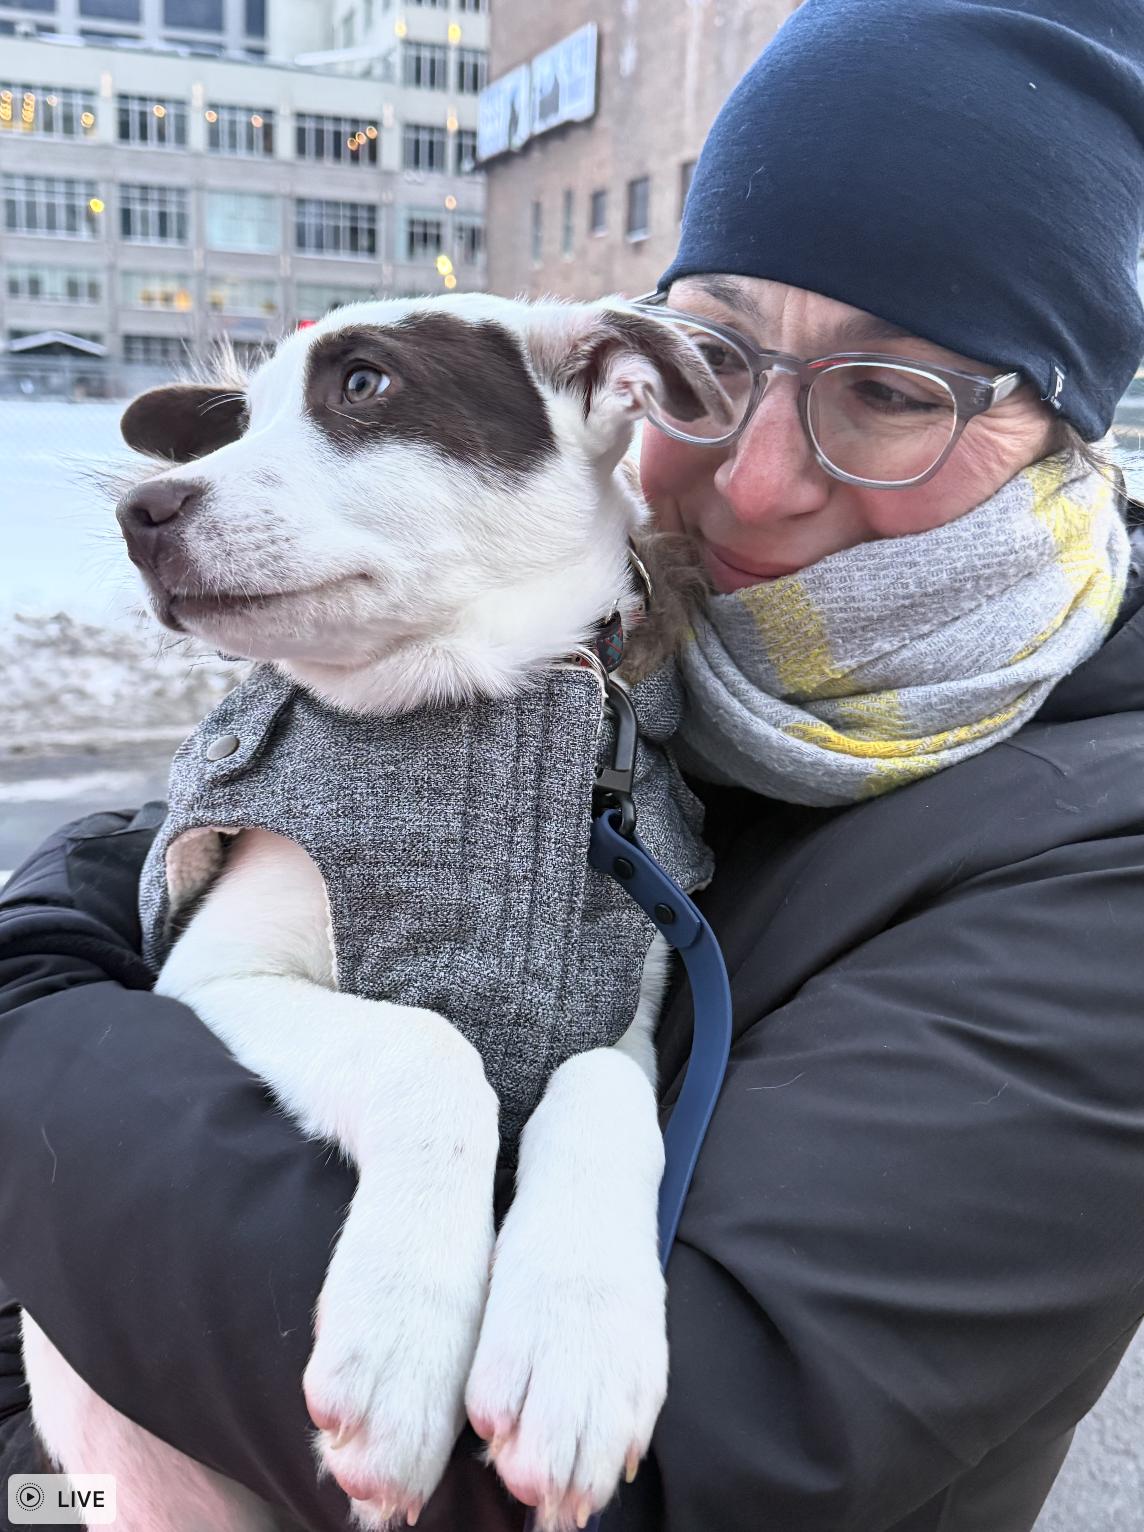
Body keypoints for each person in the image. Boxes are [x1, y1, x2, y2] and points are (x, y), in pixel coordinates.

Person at [3, 1, 1144, 1528]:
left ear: (1065, 435)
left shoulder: (1101, 875)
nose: (753, 475)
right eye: (724, 352)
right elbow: (225, 851)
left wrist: (35, 1022)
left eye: (892, 394)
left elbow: (680, 1467)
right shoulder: (616, 663)